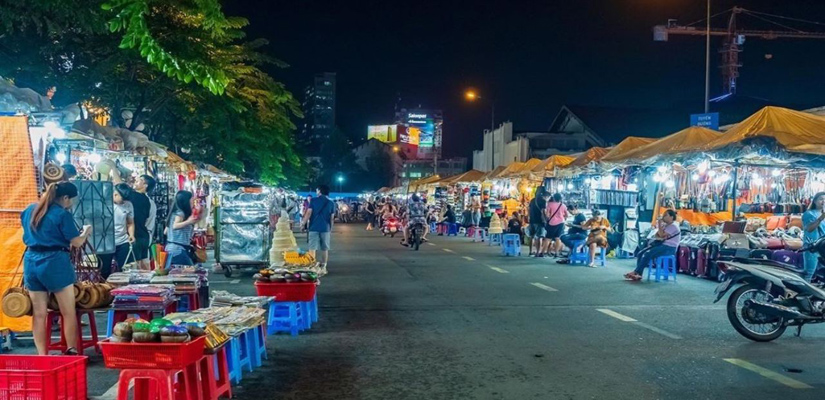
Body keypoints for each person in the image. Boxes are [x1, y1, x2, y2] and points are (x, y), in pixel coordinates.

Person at [21, 182, 93, 355]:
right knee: (67, 311)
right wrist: (86, 232)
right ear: (65, 197)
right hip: (55, 262)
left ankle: (41, 355)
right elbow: (76, 242)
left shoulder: (30, 209)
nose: (71, 204)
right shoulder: (62, 214)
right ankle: (71, 349)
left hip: (31, 261)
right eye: (71, 200)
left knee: (39, 314)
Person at [625, 209, 681, 280]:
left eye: (665, 215)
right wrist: (660, 231)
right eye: (663, 215)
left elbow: (661, 235)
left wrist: (660, 225)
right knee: (640, 253)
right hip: (662, 246)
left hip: (669, 248)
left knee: (648, 254)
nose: (663, 217)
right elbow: (656, 235)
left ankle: (637, 272)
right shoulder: (665, 226)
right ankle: (638, 273)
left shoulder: (673, 226)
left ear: (672, 217)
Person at [98, 183, 135, 278]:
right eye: (122, 199)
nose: (123, 202)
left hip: (123, 241)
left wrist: (131, 235)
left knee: (126, 270)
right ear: (115, 194)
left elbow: (130, 222)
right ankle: (105, 291)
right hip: (105, 243)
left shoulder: (128, 205)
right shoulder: (103, 204)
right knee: (104, 271)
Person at [301, 185, 335, 275]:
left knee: (312, 248)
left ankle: (312, 266)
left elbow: (308, 213)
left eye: (317, 190)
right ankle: (324, 267)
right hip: (325, 228)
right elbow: (331, 218)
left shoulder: (314, 200)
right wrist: (330, 229)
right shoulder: (331, 203)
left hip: (313, 227)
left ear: (319, 191)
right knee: (324, 248)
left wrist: (303, 223)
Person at [164, 191, 201, 268]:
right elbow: (175, 226)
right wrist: (188, 222)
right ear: (186, 201)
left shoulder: (174, 213)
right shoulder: (180, 213)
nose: (192, 201)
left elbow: (166, 231)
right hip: (177, 249)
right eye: (191, 199)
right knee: (189, 271)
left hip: (172, 248)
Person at [803, 192, 825, 282]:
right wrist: (821, 218)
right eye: (821, 199)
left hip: (823, 247)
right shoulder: (809, 214)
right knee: (809, 273)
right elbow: (809, 229)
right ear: (815, 201)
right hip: (812, 247)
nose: (823, 201)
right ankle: (804, 293)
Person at [543, 193, 569, 258]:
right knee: (558, 238)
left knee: (548, 238)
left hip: (551, 223)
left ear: (554, 198)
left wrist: (549, 217)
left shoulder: (550, 204)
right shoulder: (563, 205)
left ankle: (543, 252)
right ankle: (556, 253)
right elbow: (566, 215)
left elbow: (547, 215)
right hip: (561, 223)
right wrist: (562, 218)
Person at [528, 189, 550, 257]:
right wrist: (546, 219)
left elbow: (528, 209)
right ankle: (537, 252)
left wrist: (529, 217)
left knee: (531, 236)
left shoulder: (532, 200)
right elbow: (544, 211)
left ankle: (530, 251)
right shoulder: (543, 201)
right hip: (539, 221)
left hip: (532, 220)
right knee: (539, 237)